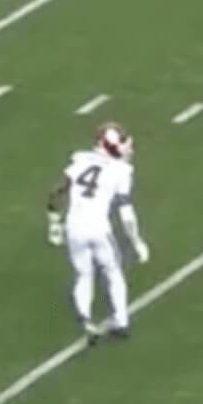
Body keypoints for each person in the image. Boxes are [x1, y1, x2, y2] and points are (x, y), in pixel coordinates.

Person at [47, 123, 149, 344]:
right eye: (125, 145)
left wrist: (54, 222)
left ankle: (85, 320)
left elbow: (56, 192)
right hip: (99, 229)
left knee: (84, 275)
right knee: (113, 271)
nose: (129, 149)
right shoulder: (121, 171)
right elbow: (126, 212)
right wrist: (137, 241)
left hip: (74, 228)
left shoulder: (80, 161)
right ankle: (121, 322)